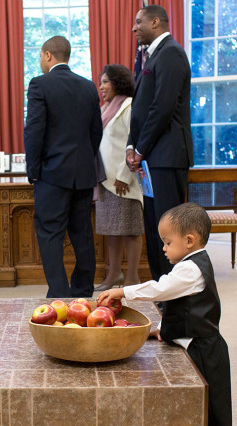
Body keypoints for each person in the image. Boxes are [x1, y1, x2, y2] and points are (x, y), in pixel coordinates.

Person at [98, 203, 232, 426]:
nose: (164, 248)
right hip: (194, 339)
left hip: (206, 347)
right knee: (198, 400)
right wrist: (160, 329)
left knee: (214, 403)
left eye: (168, 242)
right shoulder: (188, 264)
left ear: (190, 241)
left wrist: (124, 291)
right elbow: (183, 309)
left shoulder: (191, 269)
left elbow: (162, 289)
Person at [24, 35, 103, 298]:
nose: (40, 62)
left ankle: (59, 294)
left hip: (51, 175)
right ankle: (82, 290)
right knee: (82, 234)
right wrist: (83, 161)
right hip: (82, 175)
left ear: (48, 55)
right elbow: (95, 132)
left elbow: (34, 132)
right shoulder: (89, 87)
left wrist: (34, 171)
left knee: (50, 235)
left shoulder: (39, 85)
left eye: (40, 56)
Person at [127, 5, 193, 280]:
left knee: (170, 232)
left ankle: (174, 294)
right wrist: (132, 145)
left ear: (155, 22)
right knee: (156, 228)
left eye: (138, 22)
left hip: (166, 158)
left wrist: (140, 149)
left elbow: (162, 108)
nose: (134, 28)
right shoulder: (151, 58)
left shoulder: (171, 54)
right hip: (152, 159)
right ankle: (161, 293)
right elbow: (140, 108)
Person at [94, 64, 144, 291]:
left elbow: (134, 142)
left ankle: (132, 278)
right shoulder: (105, 108)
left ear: (118, 82)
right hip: (105, 179)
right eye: (101, 82)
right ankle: (114, 274)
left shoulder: (129, 106)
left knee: (131, 230)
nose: (101, 86)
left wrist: (125, 175)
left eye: (105, 81)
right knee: (111, 230)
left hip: (124, 180)